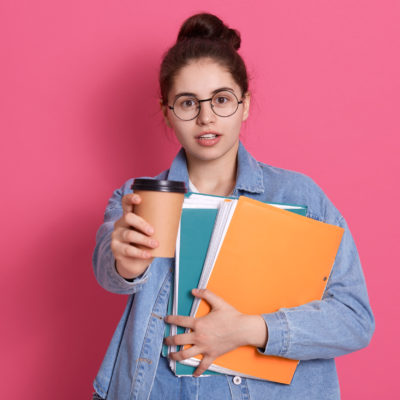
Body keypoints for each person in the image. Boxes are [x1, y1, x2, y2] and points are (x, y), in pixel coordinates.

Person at [92, 13, 374, 400]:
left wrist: (249, 329)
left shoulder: (303, 198)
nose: (206, 117)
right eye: (188, 102)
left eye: (221, 99)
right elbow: (108, 271)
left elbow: (354, 319)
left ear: (244, 105)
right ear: (167, 113)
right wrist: (125, 262)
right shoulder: (139, 197)